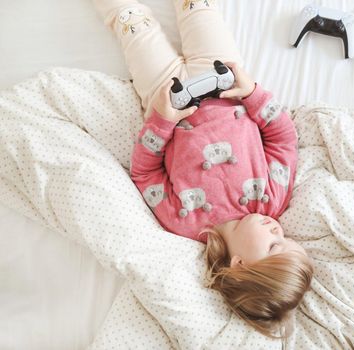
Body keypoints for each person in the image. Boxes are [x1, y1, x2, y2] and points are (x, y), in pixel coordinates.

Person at [93, 0, 313, 337]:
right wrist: (253, 93)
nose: (276, 230)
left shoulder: (182, 222)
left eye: (273, 245)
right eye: (286, 238)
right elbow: (284, 138)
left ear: (239, 265)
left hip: (164, 93)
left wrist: (162, 121)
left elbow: (145, 174)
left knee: (131, 21)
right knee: (199, 8)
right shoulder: (272, 199)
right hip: (226, 81)